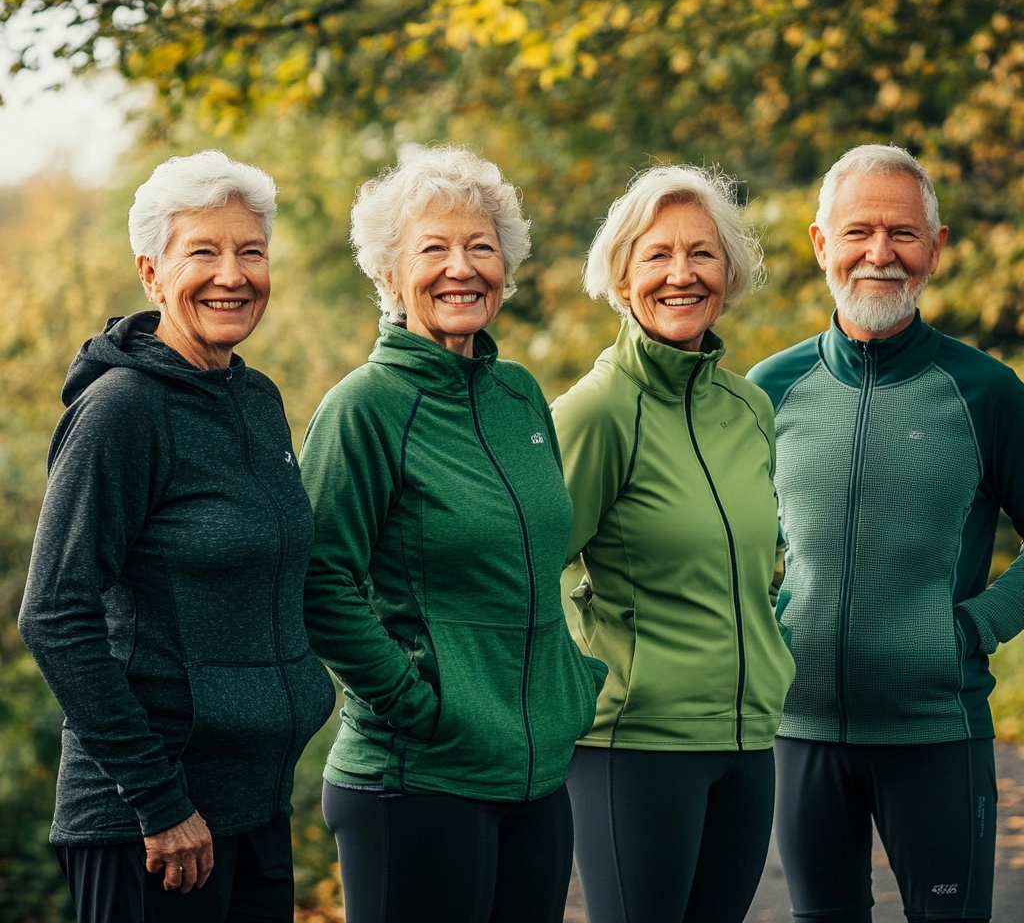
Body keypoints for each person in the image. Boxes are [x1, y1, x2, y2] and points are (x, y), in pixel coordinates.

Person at [18, 150, 336, 923]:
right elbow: (54, 613)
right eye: (203, 252)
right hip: (151, 824)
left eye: (251, 252)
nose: (233, 275)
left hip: (253, 809)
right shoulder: (121, 411)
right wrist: (159, 802)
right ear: (152, 274)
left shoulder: (256, 400)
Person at [300, 144, 607, 923]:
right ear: (389, 273)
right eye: (433, 249)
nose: (461, 268)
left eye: (480, 247)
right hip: (418, 778)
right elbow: (317, 580)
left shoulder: (520, 396)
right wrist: (418, 703)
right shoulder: (363, 408)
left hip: (535, 775)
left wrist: (571, 685)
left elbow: (545, 554)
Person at [748, 143, 1024, 923]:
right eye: (858, 232)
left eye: (902, 233)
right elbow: (729, 542)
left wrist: (973, 628)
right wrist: (766, 628)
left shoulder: (985, 391)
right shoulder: (769, 390)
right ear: (820, 244)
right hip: (799, 732)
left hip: (937, 732)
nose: (880, 253)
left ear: (935, 248)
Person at [551, 164, 796, 923]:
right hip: (636, 748)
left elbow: (764, 560)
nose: (681, 274)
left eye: (702, 254)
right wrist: (594, 670)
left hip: (748, 741)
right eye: (657, 254)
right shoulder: (595, 412)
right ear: (622, 277)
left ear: (729, 273)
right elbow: (533, 568)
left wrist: (771, 642)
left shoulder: (750, 409)